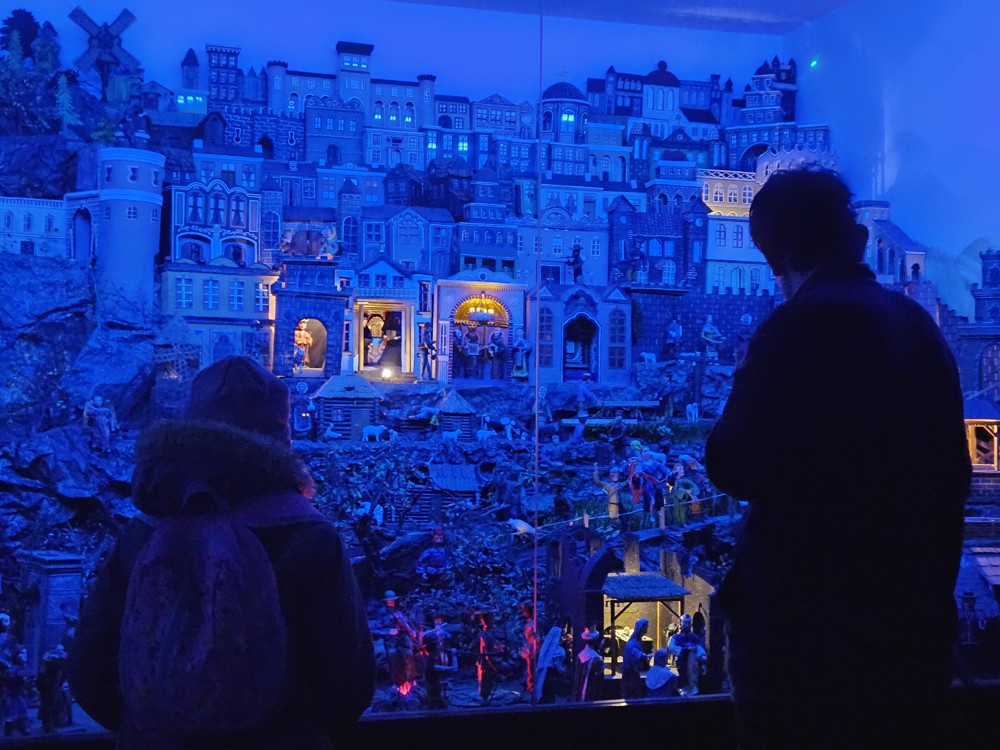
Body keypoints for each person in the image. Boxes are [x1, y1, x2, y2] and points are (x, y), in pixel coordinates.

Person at [705, 168, 971, 750]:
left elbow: (733, 462)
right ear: (854, 238)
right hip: (910, 634)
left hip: (805, 644)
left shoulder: (798, 325)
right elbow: (954, 479)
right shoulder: (918, 327)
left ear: (777, 255)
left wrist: (745, 377)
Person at [69, 356, 375, 750]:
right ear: (280, 436)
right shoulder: (307, 535)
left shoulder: (143, 533)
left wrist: (151, 730)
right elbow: (349, 680)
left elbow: (89, 669)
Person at [667, 614, 706, 696]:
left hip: (692, 661)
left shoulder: (694, 637)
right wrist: (684, 650)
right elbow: (671, 647)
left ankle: (693, 687)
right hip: (680, 659)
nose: (687, 625)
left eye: (688, 623)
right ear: (680, 623)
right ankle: (682, 687)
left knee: (692, 672)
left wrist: (701, 655)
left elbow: (699, 646)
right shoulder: (675, 637)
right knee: (682, 673)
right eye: (685, 623)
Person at [620, 618, 651, 699]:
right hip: (629, 673)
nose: (645, 632)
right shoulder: (632, 642)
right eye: (644, 630)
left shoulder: (637, 641)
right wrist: (643, 656)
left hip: (634, 672)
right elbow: (633, 652)